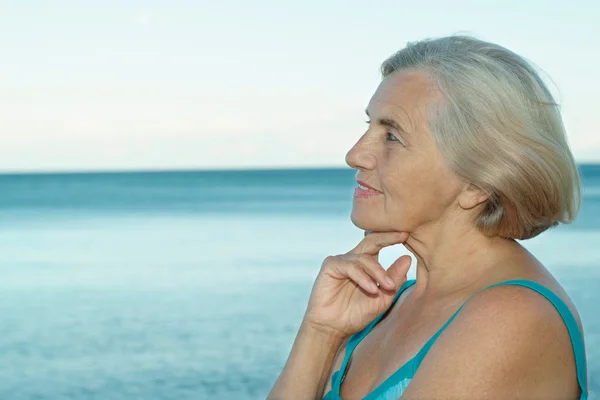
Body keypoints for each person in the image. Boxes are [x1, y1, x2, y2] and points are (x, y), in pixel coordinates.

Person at [267, 34, 588, 400]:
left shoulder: (509, 318)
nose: (354, 155)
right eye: (369, 126)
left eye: (391, 136)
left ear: (477, 181)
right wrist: (321, 332)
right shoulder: (390, 307)